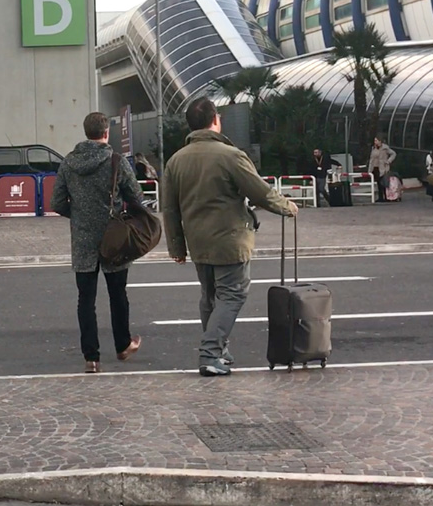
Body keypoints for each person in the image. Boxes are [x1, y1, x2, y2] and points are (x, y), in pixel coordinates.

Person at [161, 97, 298, 378]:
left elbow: (169, 209)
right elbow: (259, 190)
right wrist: (287, 206)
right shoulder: (230, 155)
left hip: (197, 241)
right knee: (232, 294)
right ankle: (210, 353)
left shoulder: (175, 161)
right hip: (230, 240)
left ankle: (219, 351)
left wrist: (176, 246)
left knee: (209, 297)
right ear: (215, 120)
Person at [51, 112, 145, 374]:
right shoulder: (116, 161)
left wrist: (79, 216)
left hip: (82, 240)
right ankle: (123, 345)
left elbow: (56, 203)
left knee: (85, 300)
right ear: (106, 133)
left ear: (85, 132)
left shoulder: (69, 163)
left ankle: (91, 358)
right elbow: (135, 195)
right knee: (118, 294)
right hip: (113, 237)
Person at [368, 136, 397, 203]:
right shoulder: (373, 148)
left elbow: (393, 154)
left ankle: (386, 196)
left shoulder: (385, 148)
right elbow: (371, 159)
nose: (375, 142)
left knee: (383, 182)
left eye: (376, 140)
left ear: (380, 141)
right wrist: (370, 169)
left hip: (382, 167)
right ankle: (380, 197)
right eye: (374, 140)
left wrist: (388, 161)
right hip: (375, 167)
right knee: (378, 183)